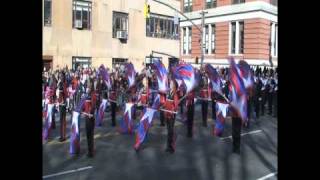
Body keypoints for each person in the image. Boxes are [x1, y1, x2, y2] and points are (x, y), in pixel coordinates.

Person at [161, 78, 179, 153]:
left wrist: (173, 110)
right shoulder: (169, 93)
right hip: (167, 113)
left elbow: (176, 105)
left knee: (170, 131)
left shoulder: (175, 94)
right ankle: (168, 146)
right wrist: (162, 106)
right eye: (170, 83)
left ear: (174, 85)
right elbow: (166, 102)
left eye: (171, 83)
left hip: (171, 115)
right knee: (168, 130)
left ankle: (171, 147)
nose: (170, 84)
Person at [83, 78, 96, 158]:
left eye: (89, 83)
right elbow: (84, 103)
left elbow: (93, 105)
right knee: (88, 134)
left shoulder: (93, 94)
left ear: (91, 84)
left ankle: (91, 152)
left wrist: (90, 113)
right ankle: (89, 150)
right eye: (87, 83)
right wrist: (82, 110)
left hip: (90, 117)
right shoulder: (87, 93)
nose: (88, 84)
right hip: (86, 116)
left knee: (90, 135)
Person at [57, 72, 67, 142]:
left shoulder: (63, 84)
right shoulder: (60, 83)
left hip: (63, 104)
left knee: (63, 120)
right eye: (60, 76)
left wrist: (64, 101)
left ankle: (63, 136)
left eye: (61, 76)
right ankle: (61, 136)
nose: (60, 77)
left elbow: (66, 93)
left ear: (63, 76)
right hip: (60, 103)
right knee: (61, 120)